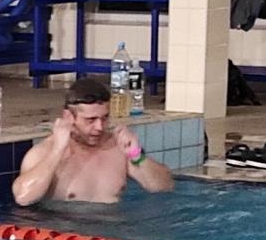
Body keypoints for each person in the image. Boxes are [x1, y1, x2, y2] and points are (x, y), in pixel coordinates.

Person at [11, 77, 174, 206]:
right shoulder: (45, 152)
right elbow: (23, 198)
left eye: (104, 118)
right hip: (66, 238)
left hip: (114, 237)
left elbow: (164, 187)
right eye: (90, 120)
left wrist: (136, 155)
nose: (99, 127)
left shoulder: (118, 148)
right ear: (69, 117)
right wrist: (57, 151)